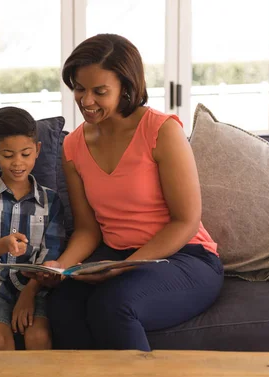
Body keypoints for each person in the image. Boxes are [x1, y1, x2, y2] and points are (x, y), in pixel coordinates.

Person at [39, 33, 224, 351]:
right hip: (117, 257)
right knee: (62, 304)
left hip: (185, 257)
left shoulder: (162, 130)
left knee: (113, 305)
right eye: (79, 89)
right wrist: (62, 267)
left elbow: (186, 221)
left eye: (100, 91)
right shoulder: (73, 146)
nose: (86, 101)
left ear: (126, 87)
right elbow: (87, 229)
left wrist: (124, 267)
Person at [0, 106, 65, 351]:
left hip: (34, 287)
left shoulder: (51, 201)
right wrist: (2, 245)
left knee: (38, 338)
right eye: (8, 155)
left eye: (25, 154)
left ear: (37, 151)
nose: (18, 163)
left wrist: (30, 292)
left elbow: (51, 255)